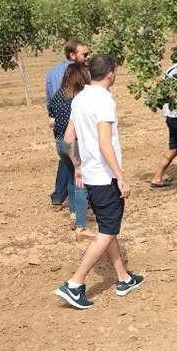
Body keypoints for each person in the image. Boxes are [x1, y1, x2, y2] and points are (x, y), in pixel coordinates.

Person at [55, 54, 143, 310]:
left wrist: (78, 167)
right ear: (110, 74)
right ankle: (74, 283)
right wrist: (121, 177)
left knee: (108, 227)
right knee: (107, 232)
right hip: (106, 178)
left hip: (91, 176)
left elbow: (69, 137)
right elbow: (105, 144)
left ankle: (124, 278)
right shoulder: (104, 101)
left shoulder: (80, 97)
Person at [48, 64, 95, 239]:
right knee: (81, 182)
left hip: (59, 143)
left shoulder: (57, 96)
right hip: (73, 143)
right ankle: (81, 225)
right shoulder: (78, 99)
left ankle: (74, 213)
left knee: (70, 176)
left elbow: (51, 120)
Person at [46, 40, 91, 207]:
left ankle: (59, 196)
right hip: (74, 130)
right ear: (73, 55)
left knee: (68, 163)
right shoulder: (76, 74)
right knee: (78, 170)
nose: (88, 57)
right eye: (85, 54)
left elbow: (50, 100)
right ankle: (80, 212)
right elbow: (76, 103)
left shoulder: (52, 72)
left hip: (59, 128)